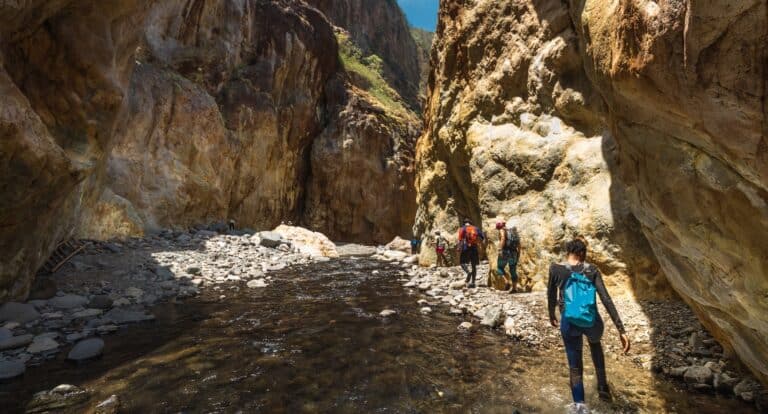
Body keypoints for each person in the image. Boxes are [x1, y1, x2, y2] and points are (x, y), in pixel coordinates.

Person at [547, 237, 631, 406]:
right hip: (592, 321)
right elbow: (606, 299)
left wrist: (552, 315)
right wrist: (621, 329)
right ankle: (602, 388)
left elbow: (550, 296)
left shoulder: (555, 269)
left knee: (575, 365)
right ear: (581, 253)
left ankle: (580, 405)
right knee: (595, 343)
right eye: (585, 253)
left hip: (569, 322)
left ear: (569, 252)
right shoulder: (592, 270)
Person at [457, 219, 485, 288]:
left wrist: (458, 248)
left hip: (466, 248)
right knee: (474, 265)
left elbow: (460, 239)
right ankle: (473, 282)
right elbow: (482, 237)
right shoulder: (476, 228)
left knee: (462, 262)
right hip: (474, 248)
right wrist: (477, 243)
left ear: (464, 223)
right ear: (470, 223)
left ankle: (468, 272)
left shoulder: (462, 228)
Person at [496, 221, 521, 293]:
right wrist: (518, 254)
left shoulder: (502, 230)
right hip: (514, 253)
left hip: (505, 252)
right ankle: (514, 288)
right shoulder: (514, 233)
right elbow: (519, 245)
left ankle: (506, 281)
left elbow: (503, 238)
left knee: (499, 267)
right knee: (513, 270)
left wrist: (500, 249)